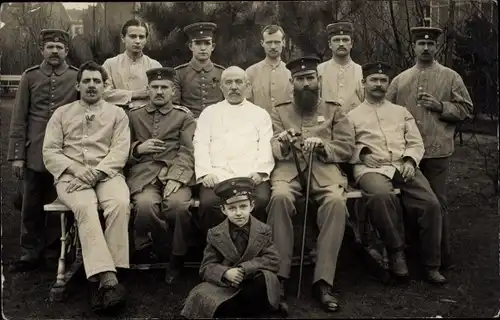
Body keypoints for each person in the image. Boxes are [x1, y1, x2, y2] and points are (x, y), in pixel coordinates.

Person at [267, 56, 355, 312]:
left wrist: (325, 146)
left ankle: (323, 281)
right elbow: (272, 145)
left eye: (309, 78)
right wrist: (282, 141)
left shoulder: (334, 109)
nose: (305, 84)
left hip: (324, 171)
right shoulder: (279, 110)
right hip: (289, 171)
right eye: (299, 79)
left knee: (336, 203)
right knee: (280, 197)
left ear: (318, 80)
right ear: (292, 83)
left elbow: (347, 147)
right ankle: (280, 277)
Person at [42, 61, 131, 314]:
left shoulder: (117, 114)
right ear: (77, 85)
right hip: (72, 176)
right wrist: (79, 171)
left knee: (119, 203)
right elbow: (50, 151)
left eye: (97, 81)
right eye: (87, 81)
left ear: (105, 86)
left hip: (107, 173)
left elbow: (119, 151)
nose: (92, 86)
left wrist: (96, 173)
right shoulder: (61, 113)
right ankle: (107, 280)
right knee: (85, 207)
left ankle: (106, 274)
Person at [347, 61, 447, 284]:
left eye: (383, 81)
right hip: (370, 168)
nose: (379, 85)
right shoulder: (352, 116)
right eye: (374, 80)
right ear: (364, 83)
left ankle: (431, 264)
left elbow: (415, 141)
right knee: (381, 196)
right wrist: (361, 154)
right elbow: (345, 146)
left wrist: (411, 160)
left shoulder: (401, 112)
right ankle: (396, 251)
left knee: (430, 203)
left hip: (402, 166)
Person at [386, 27, 473, 269]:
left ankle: (440, 257)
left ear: (436, 48)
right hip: (406, 155)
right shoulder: (400, 80)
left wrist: (441, 106)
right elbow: (385, 110)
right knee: (409, 202)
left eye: (430, 44)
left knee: (437, 202)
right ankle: (412, 253)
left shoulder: (450, 77)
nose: (426, 48)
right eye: (421, 44)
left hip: (436, 151)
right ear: (413, 48)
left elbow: (466, 109)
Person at [8, 29, 79, 272]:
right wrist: (17, 155)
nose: (55, 51)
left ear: (66, 51)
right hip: (34, 151)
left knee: (57, 201)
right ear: (42, 50)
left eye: (59, 48)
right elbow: (19, 118)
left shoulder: (75, 77)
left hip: (64, 152)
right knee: (30, 203)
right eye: (50, 47)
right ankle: (29, 251)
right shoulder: (30, 77)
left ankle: (53, 251)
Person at [127, 67, 196, 284]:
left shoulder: (183, 116)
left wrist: (177, 176)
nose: (159, 92)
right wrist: (138, 148)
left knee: (178, 207)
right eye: (155, 87)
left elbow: (188, 150)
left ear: (173, 91)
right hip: (143, 174)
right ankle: (154, 245)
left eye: (164, 87)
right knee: (145, 207)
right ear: (147, 90)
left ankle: (177, 257)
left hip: (176, 173)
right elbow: (120, 148)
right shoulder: (133, 116)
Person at [180, 177, 286, 319]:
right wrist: (225, 273)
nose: (238, 213)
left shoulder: (264, 230)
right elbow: (206, 267)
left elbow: (273, 260)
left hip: (254, 281)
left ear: (252, 206)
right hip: (228, 286)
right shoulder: (215, 233)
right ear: (223, 210)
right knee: (200, 295)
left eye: (243, 207)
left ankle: (241, 309)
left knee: (263, 281)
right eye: (232, 208)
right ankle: (241, 310)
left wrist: (245, 268)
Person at [192, 66, 274, 234]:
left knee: (261, 201)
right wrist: (206, 173)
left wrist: (260, 172)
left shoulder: (260, 114)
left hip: (250, 177)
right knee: (209, 204)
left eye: (238, 82)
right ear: (221, 87)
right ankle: (217, 250)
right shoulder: (209, 113)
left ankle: (253, 249)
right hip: (217, 176)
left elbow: (266, 144)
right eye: (228, 82)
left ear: (247, 86)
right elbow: (200, 144)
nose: (234, 87)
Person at [102, 19, 162, 110]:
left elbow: (160, 94)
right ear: (123, 38)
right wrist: (133, 94)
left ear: (146, 39)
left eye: (141, 37)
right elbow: (104, 94)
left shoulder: (155, 66)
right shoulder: (110, 64)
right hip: (117, 115)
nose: (137, 41)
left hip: (147, 117)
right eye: (132, 36)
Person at [173, 22, 225, 117]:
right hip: (188, 125)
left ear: (212, 47)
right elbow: (175, 107)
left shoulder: (222, 73)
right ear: (190, 46)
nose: (203, 48)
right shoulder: (178, 73)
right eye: (197, 43)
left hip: (217, 124)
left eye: (207, 43)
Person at [317, 21, 364, 113]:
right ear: (330, 44)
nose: (341, 44)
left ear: (351, 44)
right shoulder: (319, 70)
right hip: (327, 124)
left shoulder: (361, 71)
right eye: (336, 40)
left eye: (345, 40)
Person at [245, 24, 293, 114]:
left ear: (283, 42)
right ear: (262, 43)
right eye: (269, 42)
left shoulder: (291, 72)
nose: (273, 46)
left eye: (277, 42)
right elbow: (245, 104)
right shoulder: (250, 73)